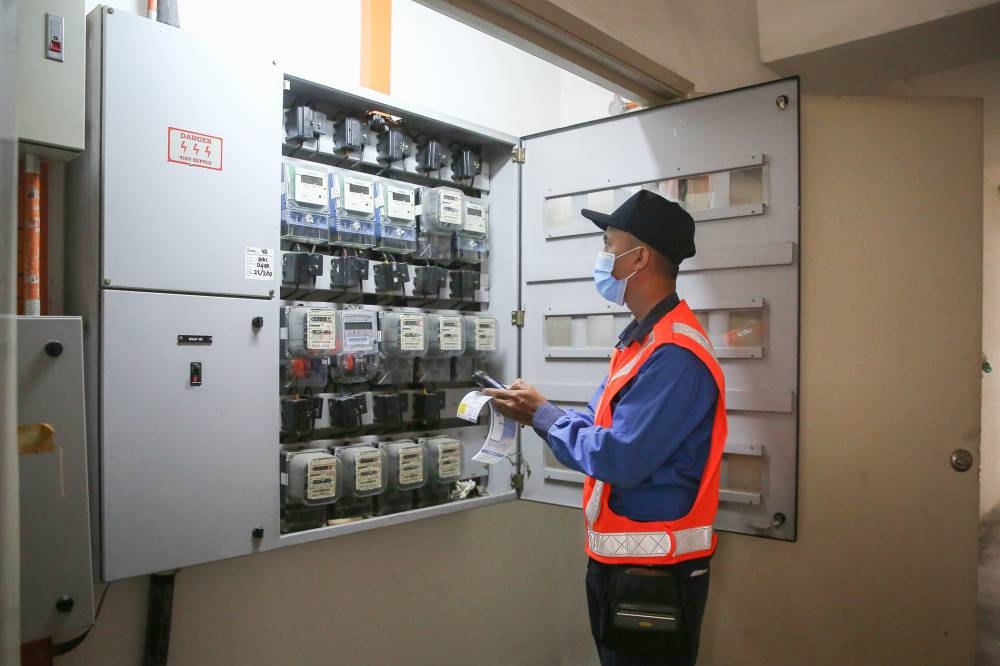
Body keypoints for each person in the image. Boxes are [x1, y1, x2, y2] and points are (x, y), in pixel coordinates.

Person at [484, 190, 727, 666]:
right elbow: (599, 427)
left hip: (656, 574)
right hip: (622, 565)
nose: (602, 257)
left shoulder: (674, 354)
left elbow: (619, 456)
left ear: (639, 259)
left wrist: (542, 415)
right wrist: (538, 410)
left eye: (608, 244)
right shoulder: (640, 342)